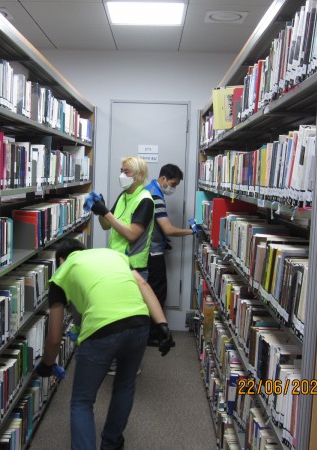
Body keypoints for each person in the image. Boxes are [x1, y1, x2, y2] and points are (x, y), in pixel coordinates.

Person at [35, 239, 174, 450]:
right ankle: (111, 443)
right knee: (125, 385)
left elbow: (54, 337)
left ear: (61, 260)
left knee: (82, 401)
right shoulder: (114, 256)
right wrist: (162, 324)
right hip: (139, 322)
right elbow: (143, 284)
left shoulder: (61, 273)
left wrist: (47, 364)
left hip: (101, 330)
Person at [144, 164, 199, 344]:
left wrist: (162, 240)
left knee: (150, 292)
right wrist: (191, 231)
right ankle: (153, 335)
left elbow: (152, 224)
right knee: (157, 293)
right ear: (163, 179)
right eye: (173, 184)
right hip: (152, 253)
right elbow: (167, 229)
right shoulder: (156, 196)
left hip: (147, 250)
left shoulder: (149, 189)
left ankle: (149, 333)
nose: (173, 188)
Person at [90, 156, 154, 280]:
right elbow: (106, 225)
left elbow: (131, 235)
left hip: (134, 268)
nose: (122, 175)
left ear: (140, 175)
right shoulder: (124, 196)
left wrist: (106, 212)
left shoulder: (145, 200)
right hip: (117, 262)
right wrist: (101, 212)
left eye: (126, 172)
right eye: (121, 171)